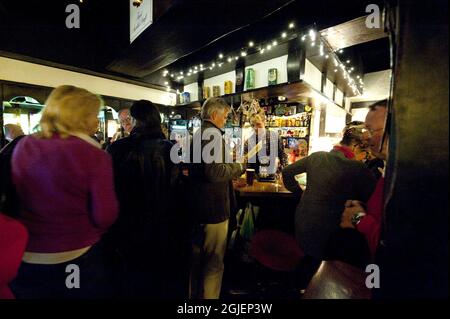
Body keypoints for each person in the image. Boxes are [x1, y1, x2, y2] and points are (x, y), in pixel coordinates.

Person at [9, 85, 118, 299]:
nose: (97, 121)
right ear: (81, 117)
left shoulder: (24, 145)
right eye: (94, 115)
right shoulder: (93, 154)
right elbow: (105, 215)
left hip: (28, 254)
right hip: (76, 254)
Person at [282, 121, 377, 285]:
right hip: (329, 240)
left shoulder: (318, 156)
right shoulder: (359, 169)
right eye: (365, 153)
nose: (365, 157)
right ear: (355, 146)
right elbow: (372, 205)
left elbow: (287, 172)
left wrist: (301, 193)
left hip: (302, 229)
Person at [106, 100, 183, 298]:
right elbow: (177, 190)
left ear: (134, 120)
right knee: (159, 281)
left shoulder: (117, 149)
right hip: (163, 226)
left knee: (131, 280)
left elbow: (108, 191)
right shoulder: (170, 148)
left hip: (128, 226)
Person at [188, 97, 246, 299]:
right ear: (214, 115)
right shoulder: (212, 135)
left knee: (195, 263)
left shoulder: (198, 134)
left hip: (196, 208)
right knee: (213, 264)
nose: (226, 120)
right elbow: (214, 172)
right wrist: (238, 167)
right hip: (213, 210)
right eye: (225, 116)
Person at [340, 100, 388, 259]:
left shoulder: (409, 178)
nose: (366, 139)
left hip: (377, 274)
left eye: (371, 130)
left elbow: (396, 250)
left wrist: (357, 218)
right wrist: (364, 207)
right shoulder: (389, 170)